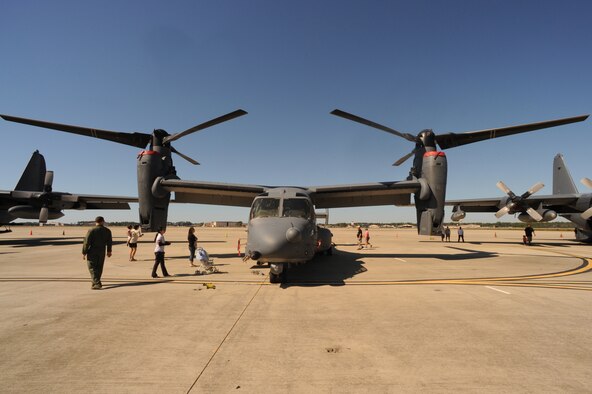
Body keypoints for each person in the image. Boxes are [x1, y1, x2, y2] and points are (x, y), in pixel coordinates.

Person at [82, 216, 112, 290]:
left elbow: (86, 242)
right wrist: (109, 251)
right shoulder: (107, 230)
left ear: (95, 221)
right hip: (102, 250)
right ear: (103, 221)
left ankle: (97, 283)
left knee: (92, 267)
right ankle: (95, 281)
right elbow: (109, 242)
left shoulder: (91, 230)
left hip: (92, 250)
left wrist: (84, 252)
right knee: (99, 267)